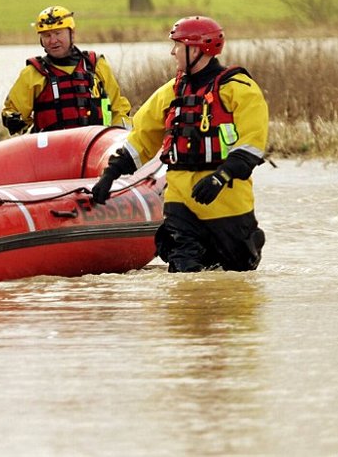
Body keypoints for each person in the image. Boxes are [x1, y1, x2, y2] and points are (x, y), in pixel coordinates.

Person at [90, 16, 268, 273]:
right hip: (180, 199)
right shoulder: (171, 92)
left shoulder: (240, 89)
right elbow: (142, 138)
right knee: (183, 271)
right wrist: (111, 174)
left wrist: (220, 177)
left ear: (196, 49)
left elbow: (252, 145)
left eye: (178, 45)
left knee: (235, 274)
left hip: (226, 199)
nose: (173, 52)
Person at [1, 5, 131, 135]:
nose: (53, 40)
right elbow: (12, 111)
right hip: (52, 149)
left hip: (94, 145)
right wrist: (12, 119)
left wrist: (120, 137)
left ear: (72, 34)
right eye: (47, 35)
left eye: (58, 33)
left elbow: (117, 108)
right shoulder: (32, 73)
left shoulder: (96, 65)